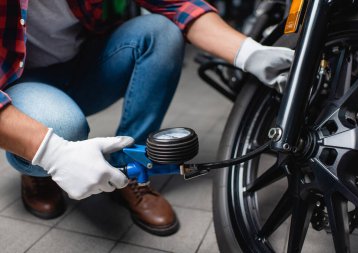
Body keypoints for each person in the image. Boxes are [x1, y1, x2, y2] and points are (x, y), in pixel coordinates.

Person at [0, 0, 293, 236]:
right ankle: (36, 165)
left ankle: (131, 172)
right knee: (63, 127)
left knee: (161, 31)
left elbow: (179, 5)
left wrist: (250, 53)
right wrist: (53, 151)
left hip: (83, 65)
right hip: (24, 82)